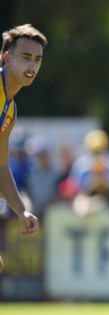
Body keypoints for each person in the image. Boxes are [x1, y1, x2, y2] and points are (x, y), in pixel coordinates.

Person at [0, 24, 46, 273]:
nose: (32, 66)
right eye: (26, 57)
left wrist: (20, 209)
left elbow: (1, 166)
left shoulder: (10, 110)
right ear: (7, 58)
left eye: (37, 59)